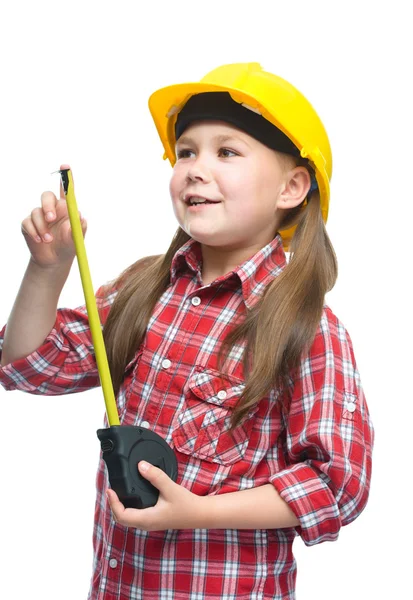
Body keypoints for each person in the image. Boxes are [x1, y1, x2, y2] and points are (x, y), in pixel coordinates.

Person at [0, 62, 374, 600]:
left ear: (292, 186)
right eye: (186, 152)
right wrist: (47, 269)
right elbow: (30, 365)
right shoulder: (143, 291)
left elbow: (338, 485)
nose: (196, 169)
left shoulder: (307, 329)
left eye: (227, 151)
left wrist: (200, 511)